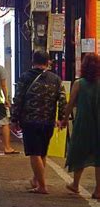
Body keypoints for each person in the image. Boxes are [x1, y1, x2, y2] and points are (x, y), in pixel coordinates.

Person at [11, 51, 66, 194]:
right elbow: (62, 99)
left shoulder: (25, 77)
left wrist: (14, 119)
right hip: (48, 122)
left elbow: (18, 99)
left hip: (30, 121)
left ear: (32, 61)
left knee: (34, 153)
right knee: (42, 153)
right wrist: (61, 118)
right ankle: (36, 180)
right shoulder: (55, 79)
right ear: (48, 62)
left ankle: (42, 186)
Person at [63, 53, 100, 199]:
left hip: (83, 123)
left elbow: (70, 104)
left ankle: (75, 184)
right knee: (99, 157)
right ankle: (98, 190)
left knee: (79, 153)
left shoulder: (79, 83)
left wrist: (64, 120)